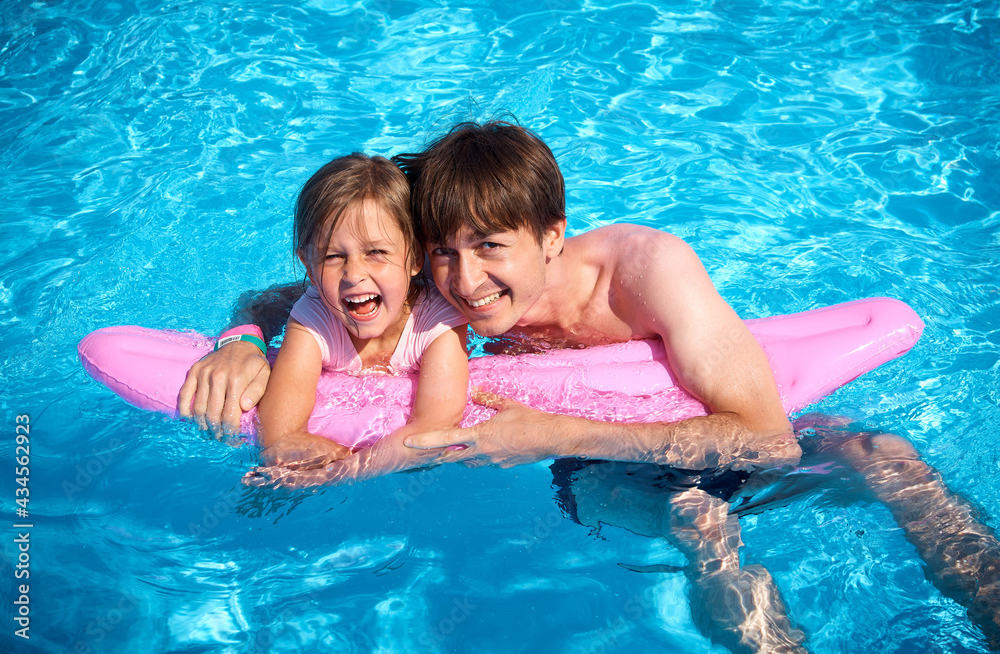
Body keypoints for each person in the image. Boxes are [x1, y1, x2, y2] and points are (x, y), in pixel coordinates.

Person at [182, 122, 1000, 650]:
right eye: (443, 252)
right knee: (695, 512)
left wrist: (555, 434)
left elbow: (769, 438)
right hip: (606, 481)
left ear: (552, 237)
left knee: (882, 451)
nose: (465, 281)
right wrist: (243, 339)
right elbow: (327, 288)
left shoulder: (647, 273)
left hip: (624, 433)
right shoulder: (434, 287)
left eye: (490, 247)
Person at [233, 153, 469, 467]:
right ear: (309, 265)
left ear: (414, 258)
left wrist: (348, 467)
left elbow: (433, 430)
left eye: (376, 252)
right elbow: (280, 434)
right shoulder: (314, 317)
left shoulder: (438, 320)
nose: (354, 274)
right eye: (332, 257)